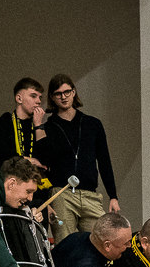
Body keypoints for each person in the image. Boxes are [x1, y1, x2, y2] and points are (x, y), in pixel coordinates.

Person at [39, 75, 118, 235]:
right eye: (58, 94)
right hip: (61, 193)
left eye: (67, 92)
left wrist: (113, 196)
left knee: (101, 239)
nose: (63, 97)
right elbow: (42, 163)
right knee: (65, 243)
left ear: (74, 92)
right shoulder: (49, 127)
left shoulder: (93, 124)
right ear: (52, 97)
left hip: (90, 194)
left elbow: (104, 161)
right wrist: (45, 200)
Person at [0, 78, 48, 179]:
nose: (38, 101)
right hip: (10, 182)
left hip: (36, 183)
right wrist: (29, 160)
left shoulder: (39, 126)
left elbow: (46, 159)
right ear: (19, 99)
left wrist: (38, 125)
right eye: (33, 96)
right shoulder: (2, 123)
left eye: (40, 98)